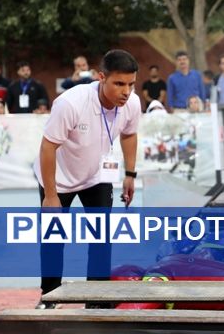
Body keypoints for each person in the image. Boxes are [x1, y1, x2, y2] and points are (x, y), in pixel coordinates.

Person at [33, 49, 141, 309]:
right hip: (58, 179)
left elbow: (129, 134)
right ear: (101, 77)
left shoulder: (132, 103)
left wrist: (130, 174)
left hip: (96, 176)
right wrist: (50, 195)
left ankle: (97, 297)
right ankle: (50, 296)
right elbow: (48, 147)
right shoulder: (71, 103)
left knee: (102, 237)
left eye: (131, 84)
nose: (126, 91)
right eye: (119, 84)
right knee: (54, 239)